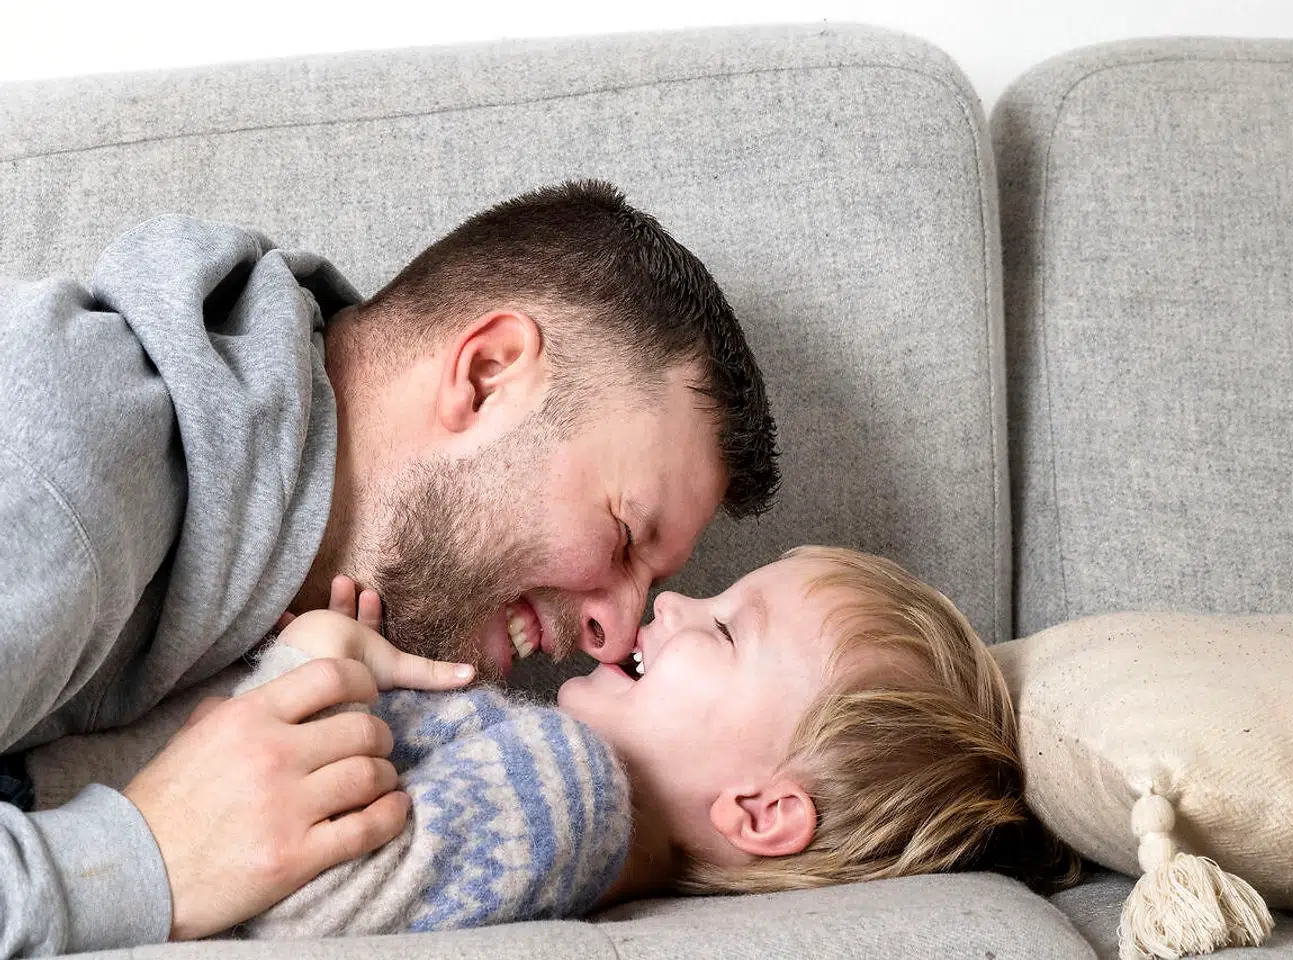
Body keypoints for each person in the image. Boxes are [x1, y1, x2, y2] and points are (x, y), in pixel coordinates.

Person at [0, 182, 778, 956]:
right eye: (624, 536)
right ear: (487, 377)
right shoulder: (63, 463)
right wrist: (150, 859)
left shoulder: (288, 587)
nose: (618, 635)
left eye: (651, 585)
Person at [22, 547, 1079, 940]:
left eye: (722, 629)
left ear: (762, 811)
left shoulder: (564, 791)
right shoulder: (556, 800)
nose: (672, 605)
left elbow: (290, 899)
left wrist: (307, 668)